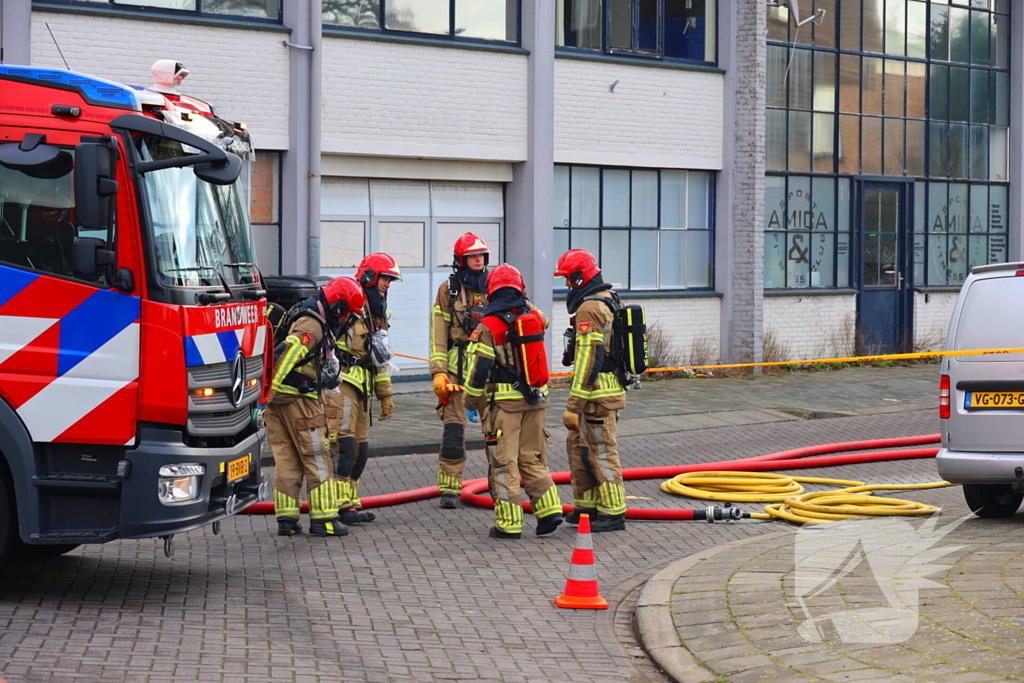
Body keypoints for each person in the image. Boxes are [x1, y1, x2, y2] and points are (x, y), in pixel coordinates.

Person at [463, 263, 563, 539]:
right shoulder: (534, 316)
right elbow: (543, 319)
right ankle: (549, 510)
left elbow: (478, 370)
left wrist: (471, 403)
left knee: (503, 463)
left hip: (505, 406)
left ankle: (509, 524)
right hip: (537, 399)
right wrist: (523, 302)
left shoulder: (487, 326)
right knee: (532, 459)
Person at [266, 276, 365, 539]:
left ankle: (287, 519)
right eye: (348, 315)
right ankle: (325, 519)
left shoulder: (311, 315)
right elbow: (287, 354)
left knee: (287, 458)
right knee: (318, 457)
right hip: (299, 400)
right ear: (339, 308)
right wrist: (269, 391)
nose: (347, 321)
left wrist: (267, 397)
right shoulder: (314, 325)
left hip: (279, 403)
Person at [554, 249, 628, 532]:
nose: (566, 287)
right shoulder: (608, 300)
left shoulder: (589, 308)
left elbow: (588, 358)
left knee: (600, 452)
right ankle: (586, 507)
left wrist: (573, 404)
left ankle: (612, 512)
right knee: (578, 449)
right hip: (599, 393)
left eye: (568, 279)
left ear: (578, 276)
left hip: (596, 397)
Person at [324, 252, 399, 525]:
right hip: (340, 386)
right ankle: (336, 503)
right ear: (369, 277)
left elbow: (380, 357)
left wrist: (385, 395)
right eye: (385, 279)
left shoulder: (377, 313)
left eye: (390, 281)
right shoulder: (347, 304)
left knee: (360, 450)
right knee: (342, 446)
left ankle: (350, 502)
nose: (387, 285)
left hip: (362, 389)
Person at [430, 232, 490, 508]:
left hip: (489, 370)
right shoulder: (448, 289)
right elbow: (438, 334)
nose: (478, 260)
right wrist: (438, 372)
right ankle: (449, 488)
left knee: (496, 431)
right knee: (453, 430)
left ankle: (500, 480)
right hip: (456, 372)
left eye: (481, 255)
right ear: (461, 260)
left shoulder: (498, 284)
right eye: (472, 256)